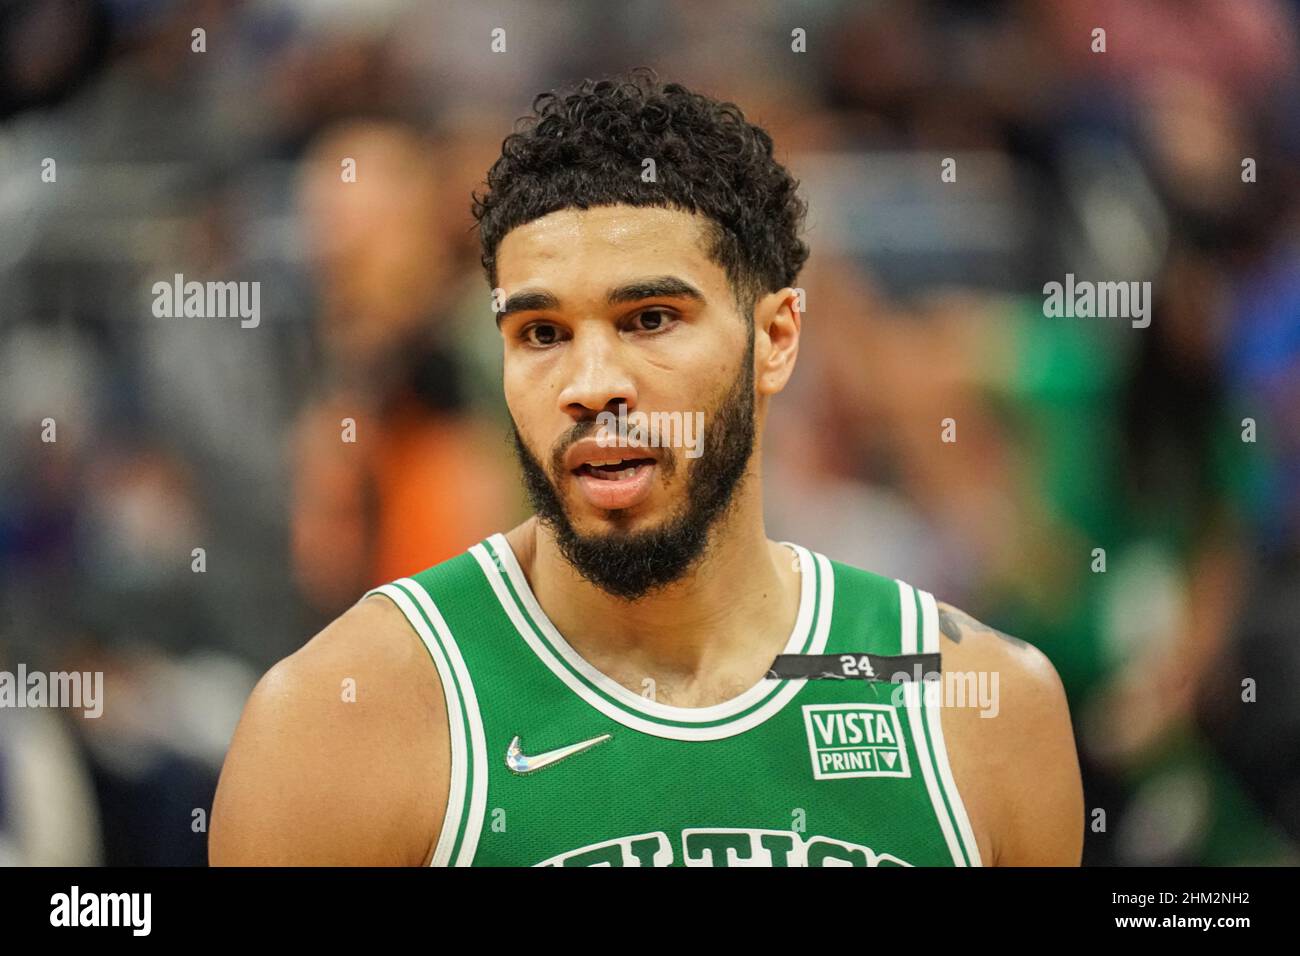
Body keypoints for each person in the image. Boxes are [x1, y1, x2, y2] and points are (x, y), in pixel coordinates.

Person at [210, 69, 1082, 867]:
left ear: (776, 338)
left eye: (650, 319)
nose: (590, 386)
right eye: (542, 334)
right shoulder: (338, 725)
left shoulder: (977, 704)